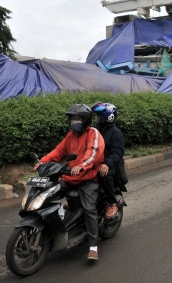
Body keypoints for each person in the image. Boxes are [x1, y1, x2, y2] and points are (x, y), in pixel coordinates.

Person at [33, 103, 105, 261]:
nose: (74, 121)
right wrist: (43, 162)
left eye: (77, 118)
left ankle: (93, 247)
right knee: (47, 194)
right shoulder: (71, 135)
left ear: (85, 119)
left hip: (88, 179)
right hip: (70, 178)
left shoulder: (93, 133)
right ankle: (60, 224)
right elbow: (58, 151)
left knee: (89, 210)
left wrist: (82, 165)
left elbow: (94, 153)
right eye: (72, 118)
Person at [91, 102, 127, 219]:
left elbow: (118, 152)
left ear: (108, 117)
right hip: (96, 163)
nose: (97, 118)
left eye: (99, 116)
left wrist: (107, 163)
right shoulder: (96, 130)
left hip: (112, 166)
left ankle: (111, 203)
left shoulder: (115, 133)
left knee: (103, 174)